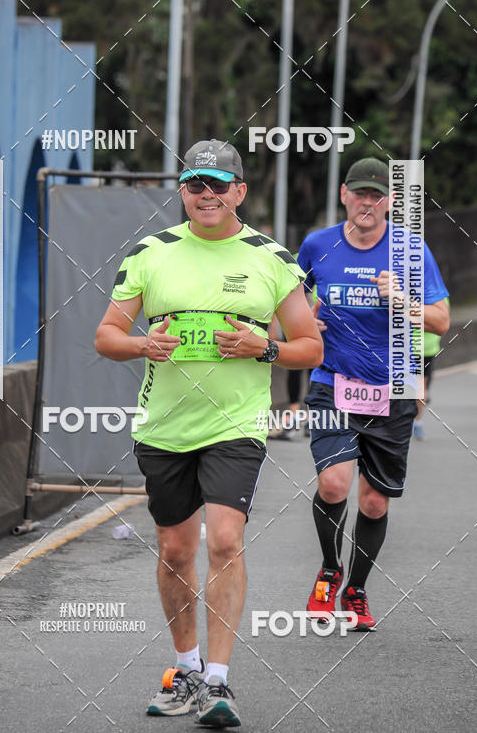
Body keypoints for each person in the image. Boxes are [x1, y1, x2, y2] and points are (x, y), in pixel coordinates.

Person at [94, 139, 323, 726]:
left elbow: (310, 346)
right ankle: (187, 670)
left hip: (236, 424)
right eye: (196, 184)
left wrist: (263, 347)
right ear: (183, 192)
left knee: (224, 541)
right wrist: (144, 343)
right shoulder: (151, 253)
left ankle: (218, 685)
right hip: (164, 426)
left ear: (240, 192)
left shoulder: (272, 258)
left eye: (219, 185)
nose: (207, 194)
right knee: (175, 548)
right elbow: (107, 336)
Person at [297, 157, 449, 630]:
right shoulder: (316, 245)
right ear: (344, 194)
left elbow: (442, 319)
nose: (367, 202)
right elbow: (289, 299)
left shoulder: (410, 250)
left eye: (376, 196)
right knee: (333, 483)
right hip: (332, 382)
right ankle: (328, 569)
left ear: (390, 201)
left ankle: (356, 589)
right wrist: (304, 318)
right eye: (359, 193)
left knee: (374, 502)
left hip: (394, 388)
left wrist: (401, 300)